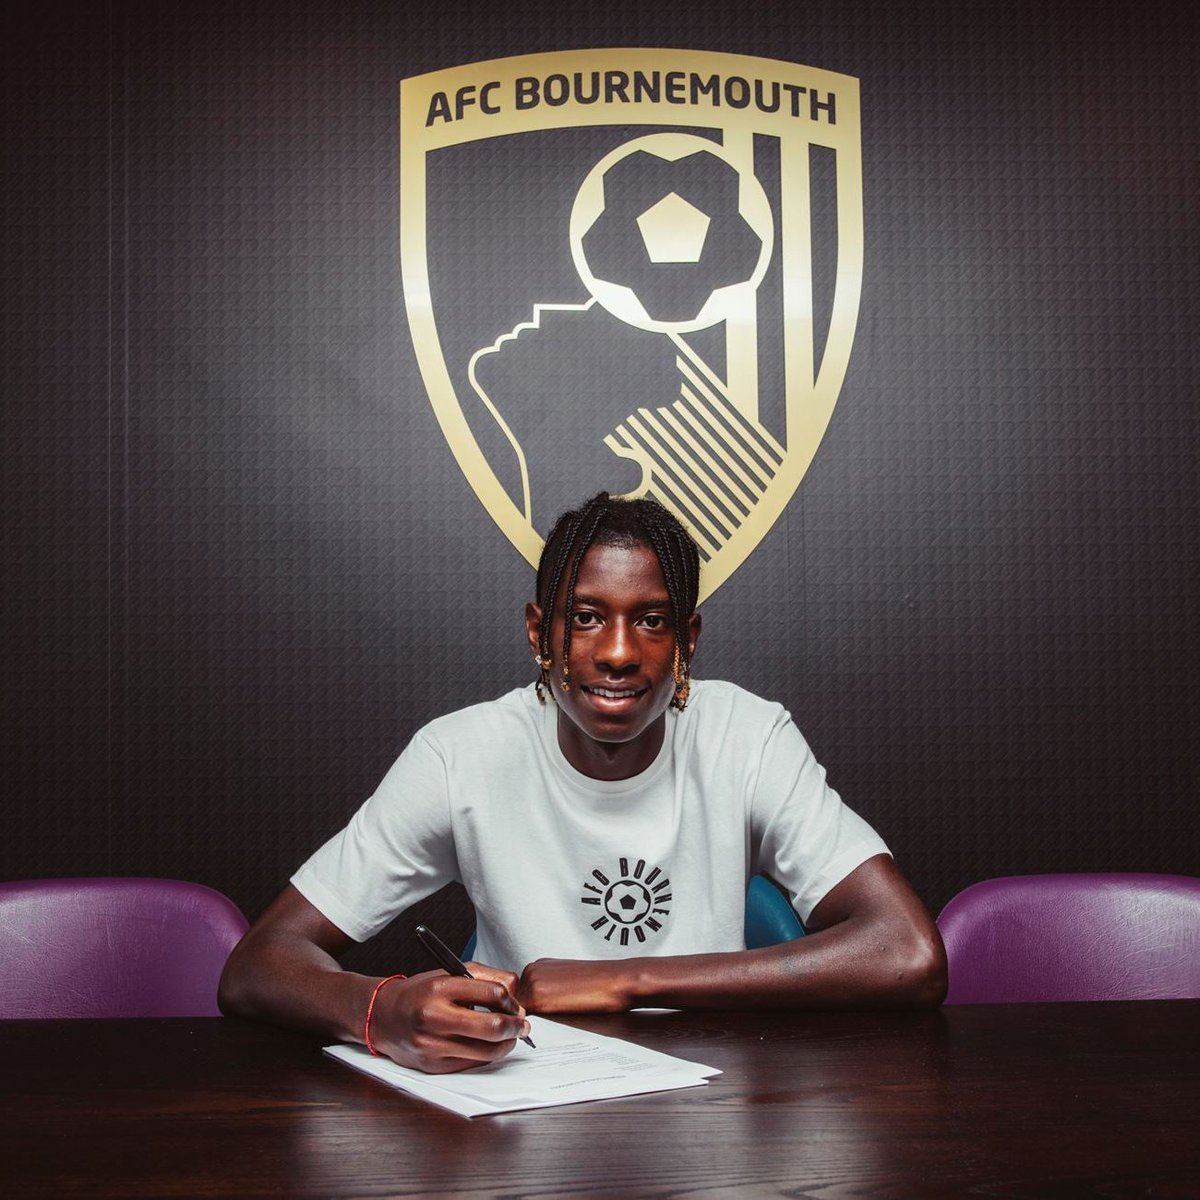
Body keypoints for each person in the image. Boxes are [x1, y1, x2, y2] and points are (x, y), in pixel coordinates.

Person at [219, 492, 946, 1073]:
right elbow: (258, 966)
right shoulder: (460, 754)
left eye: (652, 621)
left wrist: (625, 980)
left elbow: (906, 952)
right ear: (540, 634)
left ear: (688, 641)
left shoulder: (747, 736)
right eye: (586, 618)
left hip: (712, 1103)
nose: (620, 653)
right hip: (522, 1097)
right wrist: (377, 1011)